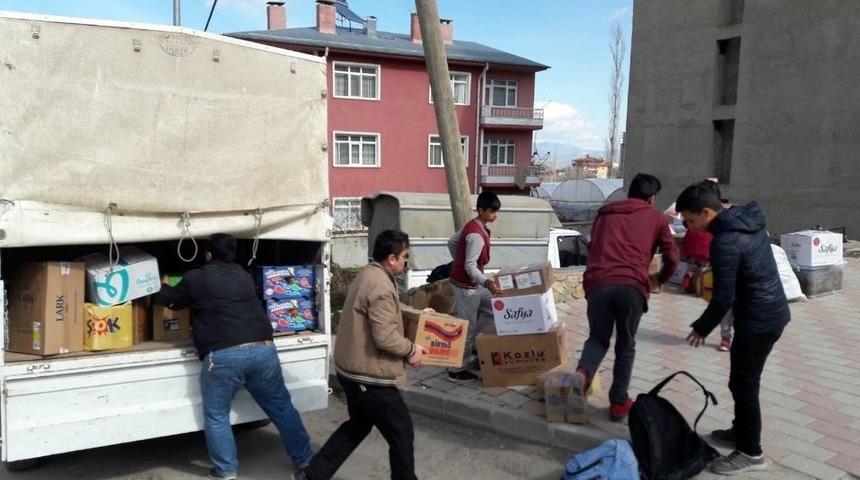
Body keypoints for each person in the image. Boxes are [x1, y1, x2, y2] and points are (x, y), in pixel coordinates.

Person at [155, 233, 313, 480]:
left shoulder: (196, 278)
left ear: (208, 254)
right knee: (282, 408)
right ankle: (306, 461)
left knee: (217, 415)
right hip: (263, 349)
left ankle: (226, 470)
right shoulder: (244, 276)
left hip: (223, 356)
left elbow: (172, 301)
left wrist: (159, 285)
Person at [676, 182, 790, 475]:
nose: (689, 227)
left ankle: (751, 453)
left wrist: (702, 328)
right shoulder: (745, 220)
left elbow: (723, 297)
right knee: (739, 381)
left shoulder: (724, 241)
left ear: (706, 212)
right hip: (769, 312)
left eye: (690, 220)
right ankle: (741, 432)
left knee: (745, 384)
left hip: (759, 320)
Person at [295, 230, 427, 480]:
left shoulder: (370, 274)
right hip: (369, 375)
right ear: (391, 258)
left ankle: (313, 475)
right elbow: (385, 337)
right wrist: (412, 350)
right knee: (401, 432)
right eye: (405, 257)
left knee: (357, 426)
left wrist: (420, 314)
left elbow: (387, 312)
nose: (406, 262)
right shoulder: (381, 286)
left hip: (352, 370)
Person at [570, 173, 679, 421]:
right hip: (632, 286)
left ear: (630, 193)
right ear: (651, 198)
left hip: (598, 283)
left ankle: (582, 377)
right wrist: (659, 279)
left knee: (597, 338)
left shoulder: (605, 214)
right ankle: (619, 402)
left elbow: (593, 247)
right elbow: (672, 256)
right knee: (625, 344)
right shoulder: (657, 218)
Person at [446, 191, 502, 383]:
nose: (495, 215)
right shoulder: (476, 235)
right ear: (481, 210)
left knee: (492, 308)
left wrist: (459, 261)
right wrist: (486, 282)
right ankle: (456, 368)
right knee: (466, 326)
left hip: (471, 281)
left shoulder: (474, 225)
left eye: (496, 211)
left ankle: (473, 347)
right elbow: (470, 266)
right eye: (492, 211)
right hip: (466, 285)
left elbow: (452, 242)